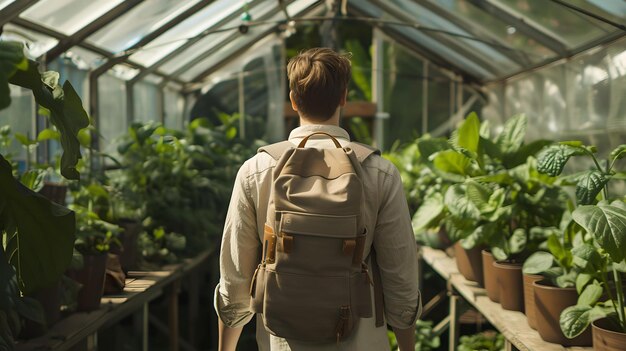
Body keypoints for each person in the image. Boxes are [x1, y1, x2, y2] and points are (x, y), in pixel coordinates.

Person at [215, 47, 421, 351]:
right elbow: (400, 277)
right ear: (343, 97)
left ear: (293, 100)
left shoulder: (256, 170)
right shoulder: (379, 172)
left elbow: (235, 279)